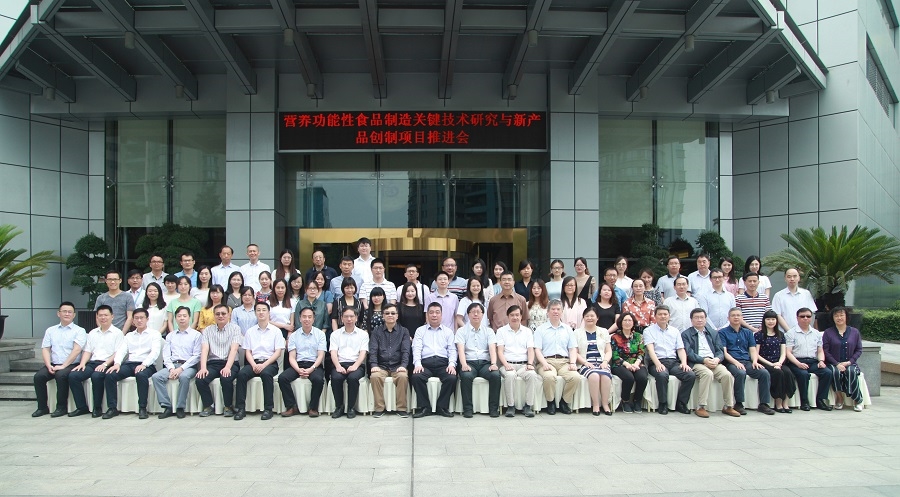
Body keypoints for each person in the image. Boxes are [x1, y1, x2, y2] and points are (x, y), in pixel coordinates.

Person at [681, 309, 740, 418]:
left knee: (727, 375)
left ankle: (728, 406)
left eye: (702, 317)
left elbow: (720, 350)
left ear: (706, 319)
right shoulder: (686, 334)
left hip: (713, 361)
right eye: (696, 318)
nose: (699, 320)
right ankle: (701, 406)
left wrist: (717, 359)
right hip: (697, 362)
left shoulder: (713, 332)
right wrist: (703, 360)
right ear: (691, 320)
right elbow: (689, 353)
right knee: (707, 374)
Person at [103, 308, 161, 419]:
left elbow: (155, 352)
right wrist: (117, 363)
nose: (139, 320)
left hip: (147, 365)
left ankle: (142, 408)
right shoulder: (129, 336)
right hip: (130, 364)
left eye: (142, 318)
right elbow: (121, 351)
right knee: (110, 375)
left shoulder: (154, 334)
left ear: (147, 319)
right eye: (136, 318)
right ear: (133, 321)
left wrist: (144, 364)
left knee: (141, 374)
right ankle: (112, 408)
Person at [32, 302, 87, 418]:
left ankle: (61, 407)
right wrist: (48, 365)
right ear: (58, 313)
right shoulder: (50, 330)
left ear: (74, 315)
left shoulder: (79, 331)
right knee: (38, 377)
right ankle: (42, 407)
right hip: (53, 363)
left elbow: (77, 350)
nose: (67, 314)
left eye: (70, 312)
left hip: (71, 364)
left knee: (61, 375)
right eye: (64, 311)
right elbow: (45, 349)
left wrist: (64, 365)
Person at [68, 306, 124, 418]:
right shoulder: (92, 333)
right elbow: (88, 351)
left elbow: (118, 353)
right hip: (92, 363)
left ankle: (98, 408)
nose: (103, 317)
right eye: (100, 315)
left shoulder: (118, 333)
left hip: (108, 363)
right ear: (97, 317)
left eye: (106, 315)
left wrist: (105, 364)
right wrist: (82, 363)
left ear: (112, 316)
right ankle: (82, 407)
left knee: (96, 376)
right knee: (73, 376)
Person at [718, 307, 775, 415]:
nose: (736, 317)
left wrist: (755, 361)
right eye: (733, 315)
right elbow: (724, 353)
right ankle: (739, 404)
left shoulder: (748, 332)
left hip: (747, 361)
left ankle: (764, 404)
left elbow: (752, 349)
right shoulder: (722, 332)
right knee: (740, 373)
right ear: (728, 318)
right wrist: (736, 363)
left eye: (738, 315)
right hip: (731, 362)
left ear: (742, 318)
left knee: (764, 373)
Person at [234, 302, 283, 420]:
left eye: (264, 310)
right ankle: (241, 409)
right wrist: (254, 365)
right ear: (255, 313)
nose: (261, 312)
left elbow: (277, 352)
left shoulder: (276, 331)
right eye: (258, 310)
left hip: (269, 363)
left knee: (266, 374)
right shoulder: (250, 331)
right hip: (253, 362)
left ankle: (268, 409)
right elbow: (248, 352)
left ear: (269, 313)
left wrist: (264, 365)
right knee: (241, 374)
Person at [642, 305, 695, 415]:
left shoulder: (675, 331)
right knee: (662, 375)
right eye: (660, 314)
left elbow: (680, 349)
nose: (663, 316)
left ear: (669, 316)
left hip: (673, 362)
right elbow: (650, 350)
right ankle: (663, 403)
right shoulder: (648, 330)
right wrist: (658, 364)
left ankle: (681, 403)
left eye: (665, 314)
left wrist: (684, 363)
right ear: (655, 316)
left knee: (690, 375)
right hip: (656, 362)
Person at [151, 306, 202, 419]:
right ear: (175, 318)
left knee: (184, 377)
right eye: (179, 316)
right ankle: (167, 406)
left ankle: (180, 407)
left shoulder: (196, 335)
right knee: (156, 377)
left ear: (189, 318)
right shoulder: (170, 335)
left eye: (184, 316)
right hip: (173, 365)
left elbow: (197, 356)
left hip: (189, 366)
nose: (182, 318)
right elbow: (166, 355)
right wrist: (171, 369)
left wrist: (181, 369)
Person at [533, 300, 580, 415]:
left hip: (564, 361)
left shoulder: (568, 329)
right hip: (547, 361)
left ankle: (565, 402)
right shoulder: (540, 329)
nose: (555, 311)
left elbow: (572, 348)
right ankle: (551, 402)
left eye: (558, 309)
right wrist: (544, 363)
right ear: (548, 312)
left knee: (575, 377)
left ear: (562, 312)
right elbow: (537, 350)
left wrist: (573, 363)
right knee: (549, 377)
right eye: (553, 309)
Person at [411, 303, 458, 418]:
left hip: (443, 364)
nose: (434, 315)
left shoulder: (448, 332)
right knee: (416, 377)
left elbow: (452, 350)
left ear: (441, 315)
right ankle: (425, 407)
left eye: (437, 312)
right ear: (427, 315)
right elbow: (416, 348)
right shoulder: (420, 330)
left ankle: (441, 406)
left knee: (451, 378)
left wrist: (452, 365)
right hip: (425, 364)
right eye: (431, 312)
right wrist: (417, 364)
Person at [278, 307, 327, 418]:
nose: (307, 319)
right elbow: (292, 357)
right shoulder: (294, 335)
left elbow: (320, 356)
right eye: (304, 317)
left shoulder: (320, 334)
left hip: (314, 364)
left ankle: (313, 408)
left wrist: (311, 369)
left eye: (309, 317)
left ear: (314, 319)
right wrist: (298, 369)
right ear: (300, 318)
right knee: (282, 378)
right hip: (298, 364)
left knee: (318, 380)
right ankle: (291, 406)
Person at [455, 302, 501, 418]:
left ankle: (493, 409)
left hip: (485, 363)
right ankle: (468, 409)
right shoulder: (461, 331)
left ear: (482, 314)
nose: (476, 314)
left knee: (495, 375)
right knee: (466, 376)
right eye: (473, 312)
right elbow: (461, 349)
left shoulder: (489, 331)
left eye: (478, 312)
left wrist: (494, 363)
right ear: (468, 314)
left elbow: (492, 348)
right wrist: (464, 364)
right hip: (469, 363)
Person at [195, 304, 242, 418]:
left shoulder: (235, 328)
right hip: (213, 363)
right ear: (214, 315)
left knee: (226, 378)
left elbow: (234, 349)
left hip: (230, 363)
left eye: (223, 313)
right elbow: (205, 349)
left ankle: (228, 406)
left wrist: (227, 367)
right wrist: (203, 368)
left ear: (229, 315)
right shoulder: (208, 330)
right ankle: (208, 406)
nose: (220, 316)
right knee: (200, 378)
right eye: (217, 314)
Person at [496, 305, 540, 418]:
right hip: (507, 364)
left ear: (521, 316)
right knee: (510, 375)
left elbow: (530, 350)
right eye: (512, 315)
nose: (515, 317)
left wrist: (530, 364)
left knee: (532, 374)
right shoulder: (501, 331)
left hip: (523, 365)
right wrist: (506, 365)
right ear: (508, 316)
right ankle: (511, 406)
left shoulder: (527, 331)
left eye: (517, 315)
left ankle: (528, 406)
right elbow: (500, 351)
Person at [368, 303, 411, 418]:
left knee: (402, 376)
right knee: (375, 376)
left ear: (397, 316)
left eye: (393, 313)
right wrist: (374, 365)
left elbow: (406, 351)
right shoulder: (376, 331)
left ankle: (401, 408)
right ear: (383, 316)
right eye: (387, 313)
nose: (390, 315)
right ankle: (379, 408)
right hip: (381, 366)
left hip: (398, 366)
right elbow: (373, 350)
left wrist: (403, 365)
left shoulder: (404, 331)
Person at [785, 307, 831, 411]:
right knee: (803, 374)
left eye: (808, 316)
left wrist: (821, 361)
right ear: (797, 318)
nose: (805, 318)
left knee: (827, 372)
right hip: (796, 362)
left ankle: (820, 400)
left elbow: (820, 350)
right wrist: (798, 364)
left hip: (813, 361)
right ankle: (804, 401)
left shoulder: (816, 333)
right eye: (802, 316)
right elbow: (788, 352)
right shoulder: (791, 333)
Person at [754, 310, 797, 413]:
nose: (771, 321)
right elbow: (756, 354)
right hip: (765, 362)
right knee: (778, 373)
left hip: (779, 362)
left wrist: (779, 363)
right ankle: (778, 403)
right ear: (764, 321)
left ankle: (785, 403)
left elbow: (783, 353)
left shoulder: (781, 334)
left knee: (788, 373)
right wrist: (772, 364)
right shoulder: (759, 335)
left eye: (773, 319)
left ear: (776, 321)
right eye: (768, 319)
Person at [330, 307, 369, 419]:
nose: (349, 319)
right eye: (346, 316)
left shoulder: (363, 334)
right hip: (340, 363)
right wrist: (338, 366)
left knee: (352, 378)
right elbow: (333, 352)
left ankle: (351, 407)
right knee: (336, 377)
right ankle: (339, 407)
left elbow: (363, 353)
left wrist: (355, 366)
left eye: (351, 316)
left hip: (357, 364)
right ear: (342, 318)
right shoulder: (335, 334)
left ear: (356, 318)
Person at [822, 307, 864, 411]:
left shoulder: (854, 332)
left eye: (841, 315)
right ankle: (839, 398)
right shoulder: (828, 332)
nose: (839, 318)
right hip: (833, 363)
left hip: (850, 363)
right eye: (836, 316)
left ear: (846, 317)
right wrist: (837, 364)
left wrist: (849, 362)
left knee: (851, 371)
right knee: (834, 372)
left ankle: (857, 400)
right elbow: (826, 351)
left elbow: (859, 350)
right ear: (832, 318)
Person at [574, 307, 613, 416]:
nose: (589, 318)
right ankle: (596, 405)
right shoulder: (577, 332)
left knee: (605, 376)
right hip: (585, 362)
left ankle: (605, 404)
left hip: (601, 362)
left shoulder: (604, 331)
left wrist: (605, 362)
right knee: (594, 376)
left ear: (597, 318)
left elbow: (608, 351)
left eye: (592, 316)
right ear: (583, 318)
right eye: (587, 316)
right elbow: (575, 352)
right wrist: (585, 363)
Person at [610, 312, 647, 413]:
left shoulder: (639, 336)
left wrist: (636, 364)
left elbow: (641, 352)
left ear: (633, 322)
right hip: (620, 363)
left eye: (630, 320)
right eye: (625, 320)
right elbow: (615, 355)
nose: (627, 322)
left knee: (642, 377)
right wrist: (627, 364)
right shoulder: (615, 337)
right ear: (621, 322)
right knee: (629, 378)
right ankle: (625, 401)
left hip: (637, 363)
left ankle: (637, 401)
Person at [772, 268, 817, 332]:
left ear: (799, 278)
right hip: (786, 333)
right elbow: (777, 315)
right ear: (785, 279)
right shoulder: (778, 296)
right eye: (789, 277)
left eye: (795, 276)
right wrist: (789, 331)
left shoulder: (806, 293)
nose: (792, 279)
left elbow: (811, 312)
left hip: (805, 332)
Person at [267, 279, 295, 344]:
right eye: (278, 288)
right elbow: (267, 321)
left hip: (286, 332)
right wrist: (284, 326)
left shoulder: (292, 302)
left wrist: (289, 336)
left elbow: (292, 323)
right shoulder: (268, 303)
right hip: (272, 331)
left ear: (286, 289)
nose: (280, 290)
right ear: (274, 289)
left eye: (282, 288)